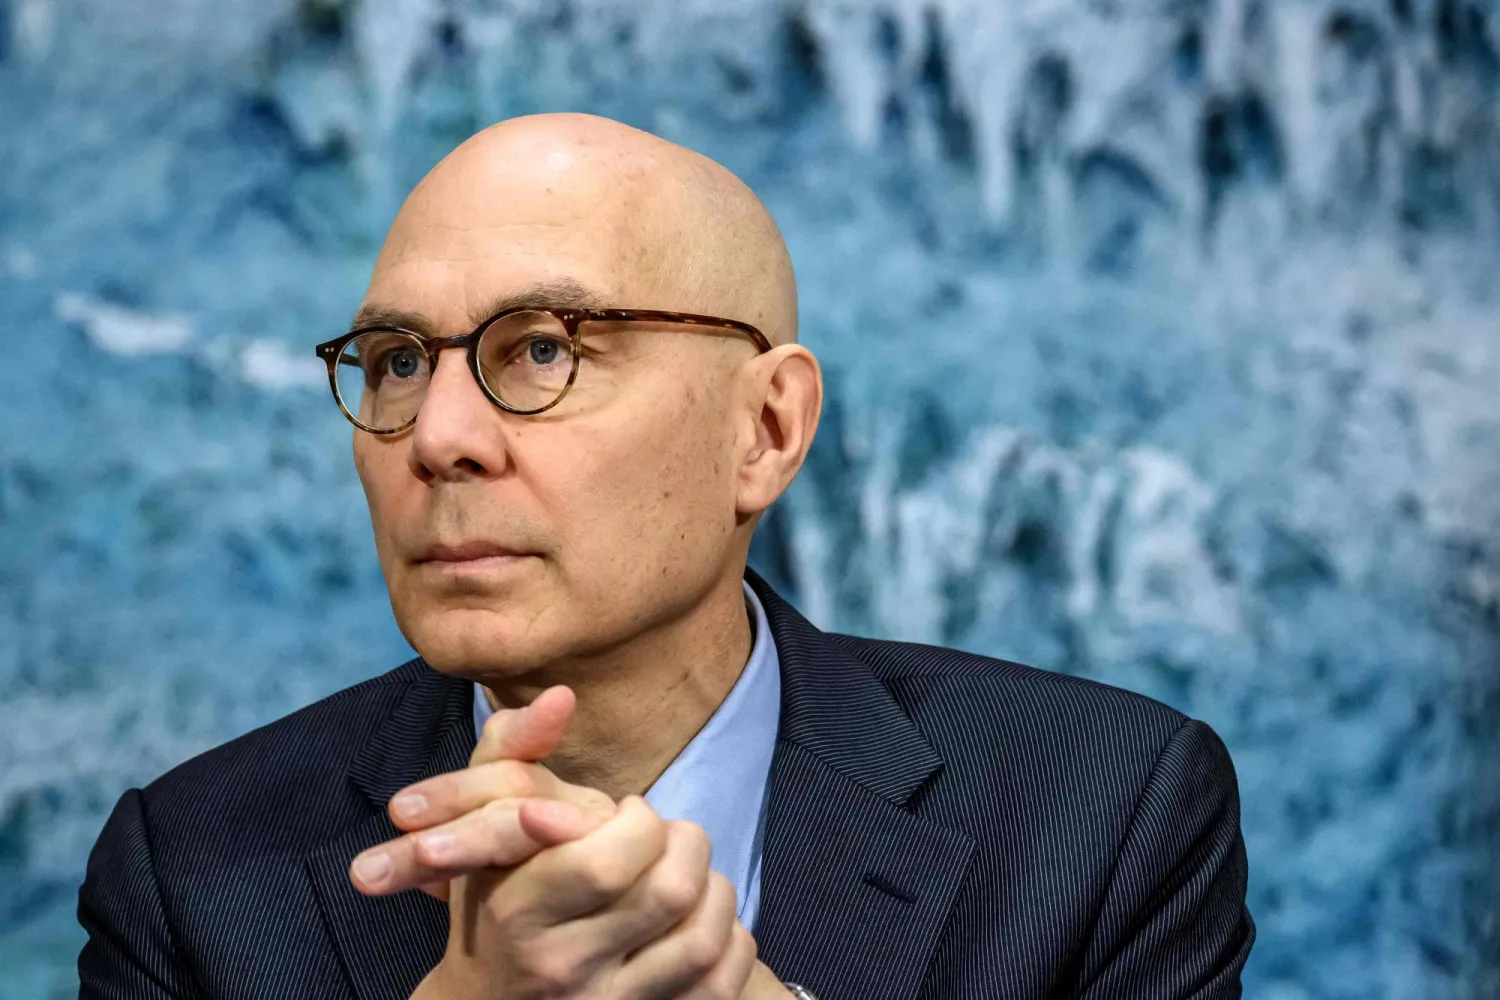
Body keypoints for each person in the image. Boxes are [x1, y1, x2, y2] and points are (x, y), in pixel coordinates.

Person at [76, 113, 1254, 1000]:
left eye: (541, 349)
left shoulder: (1102, 815)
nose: (437, 437)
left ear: (766, 430)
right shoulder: (193, 874)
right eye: (394, 362)